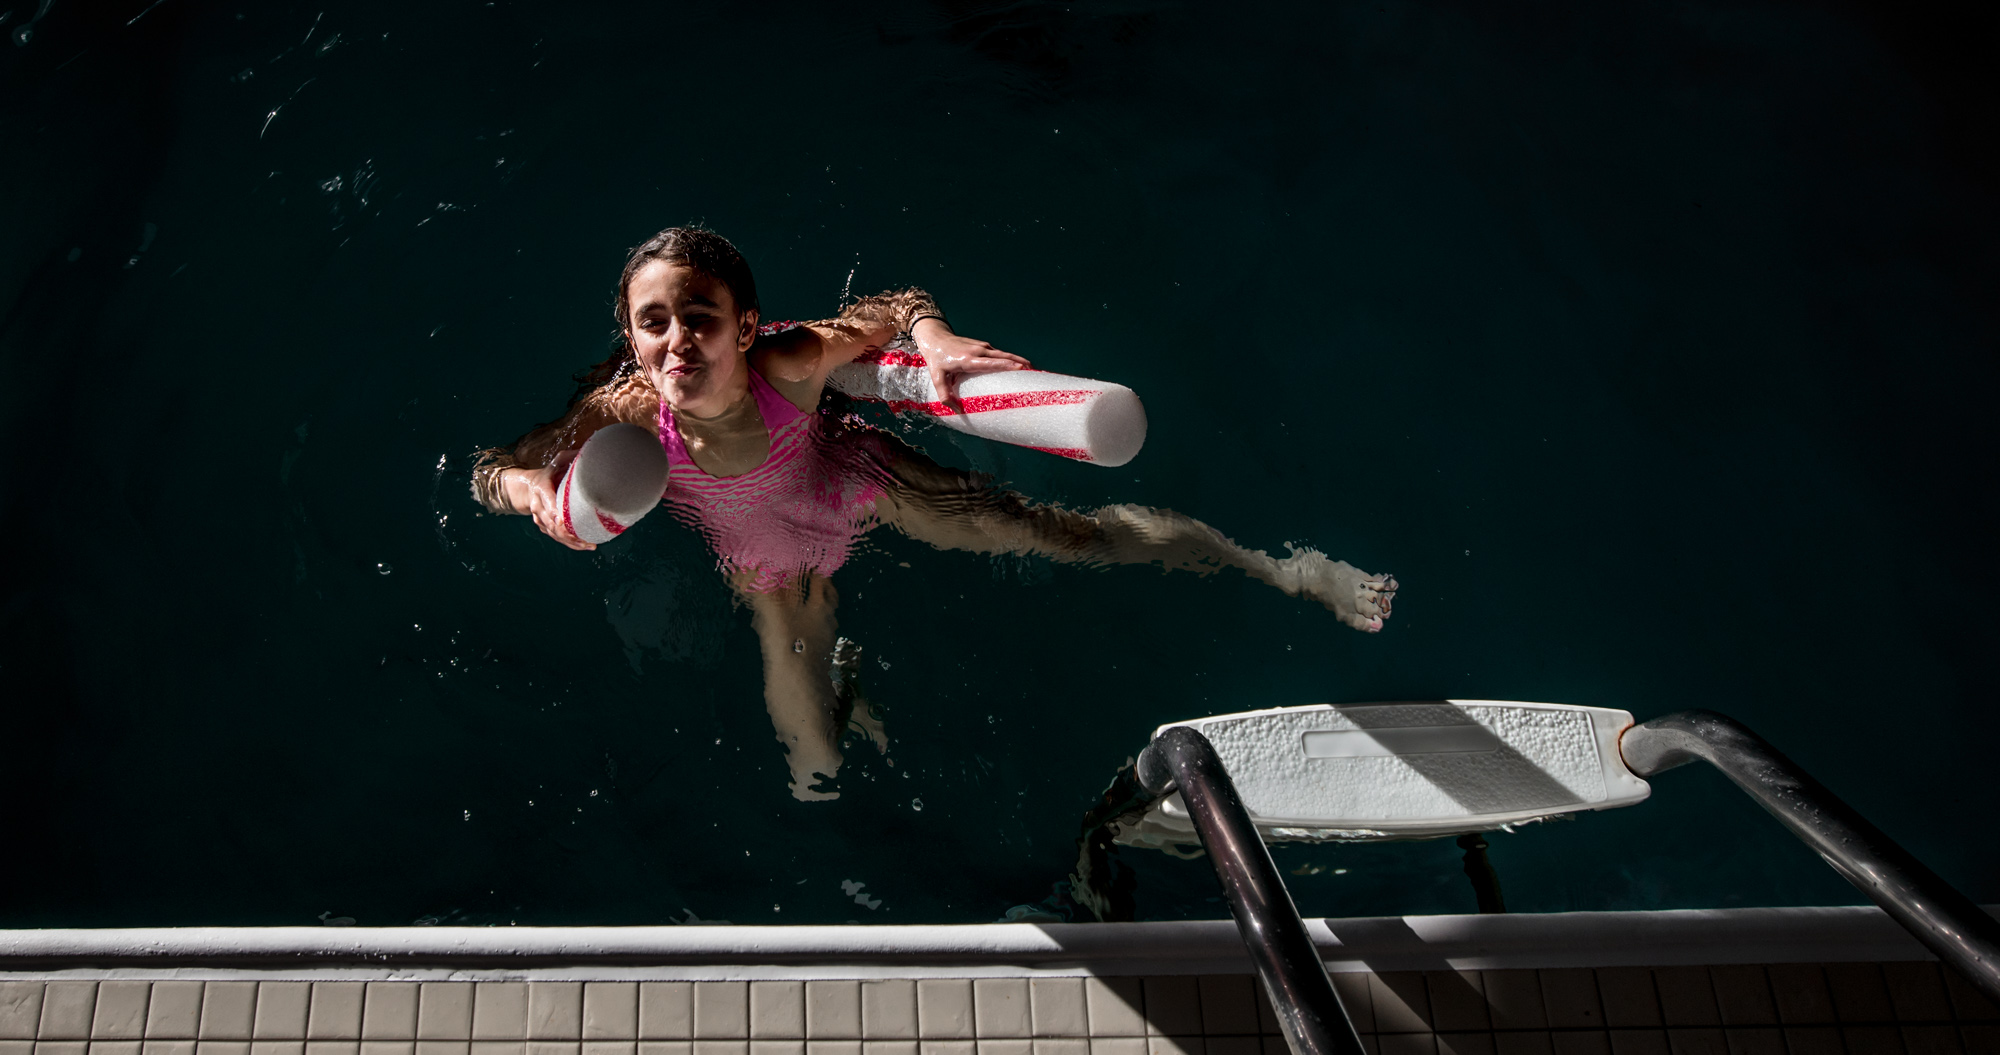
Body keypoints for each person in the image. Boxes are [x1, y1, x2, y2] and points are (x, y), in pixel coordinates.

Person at [473, 226, 1398, 800]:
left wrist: (934, 337)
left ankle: (1282, 567)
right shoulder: (626, 410)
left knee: (1059, 534)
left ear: (746, 325)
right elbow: (494, 468)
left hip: (859, 479)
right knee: (812, 769)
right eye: (654, 321)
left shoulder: (790, 361)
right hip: (767, 566)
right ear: (632, 338)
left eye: (701, 315)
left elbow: (894, 300)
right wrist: (534, 497)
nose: (679, 338)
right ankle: (847, 685)